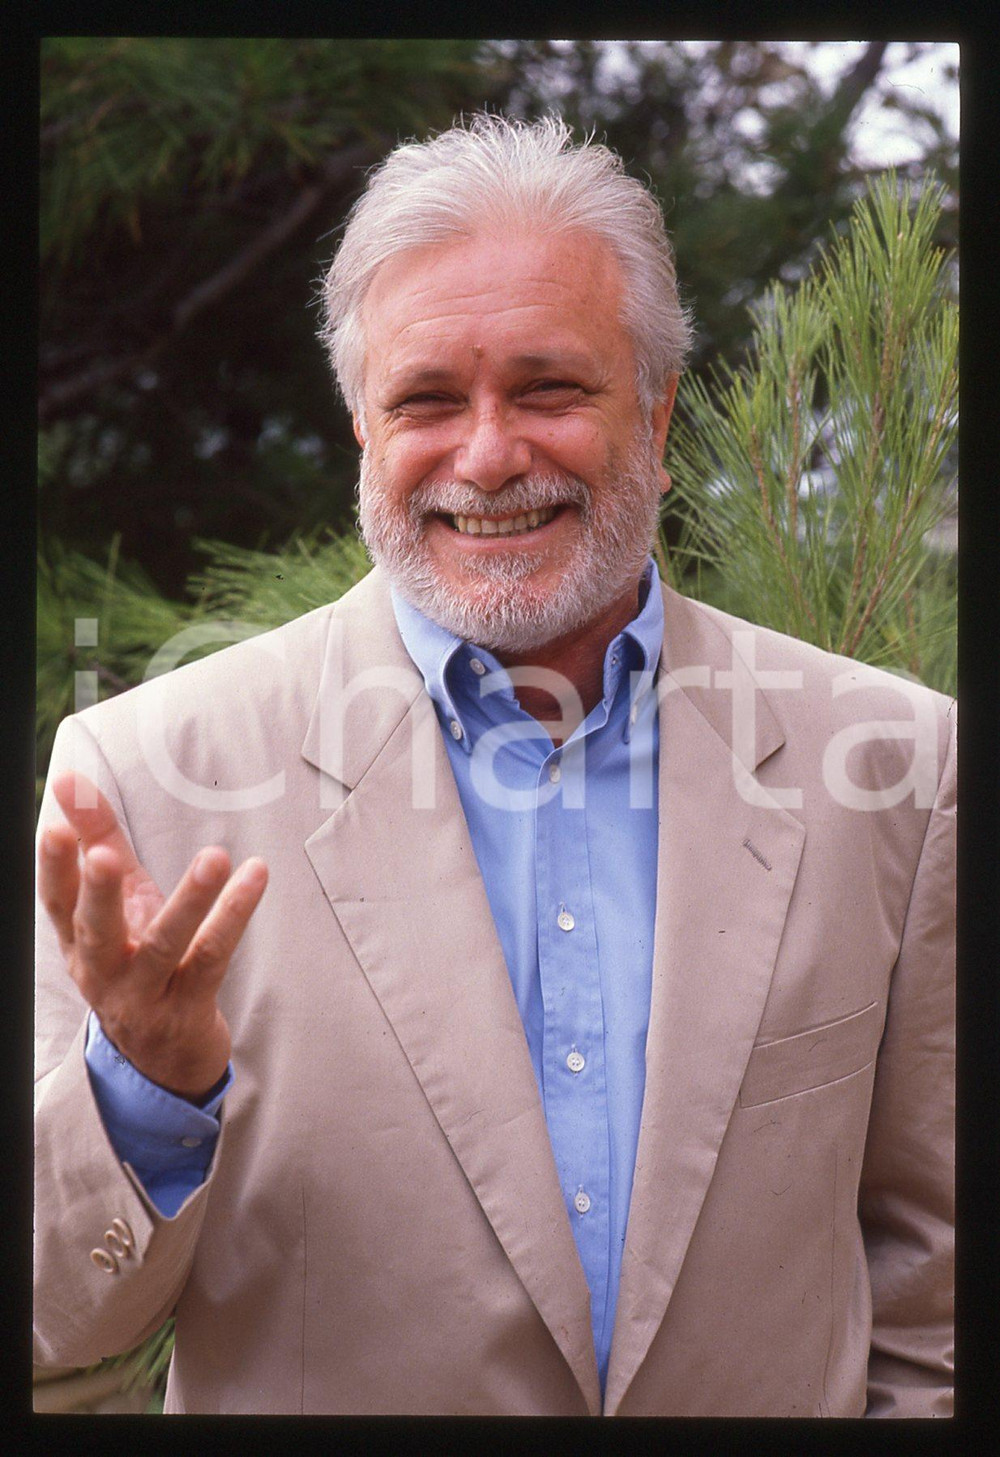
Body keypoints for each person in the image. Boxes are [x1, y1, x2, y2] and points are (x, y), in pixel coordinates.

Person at [33, 114, 955, 1417]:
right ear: (361, 423)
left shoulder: (898, 766)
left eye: (548, 388)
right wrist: (142, 1099)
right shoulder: (142, 776)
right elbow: (47, 1325)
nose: (486, 455)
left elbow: (939, 1300)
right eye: (425, 400)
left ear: (658, 403)